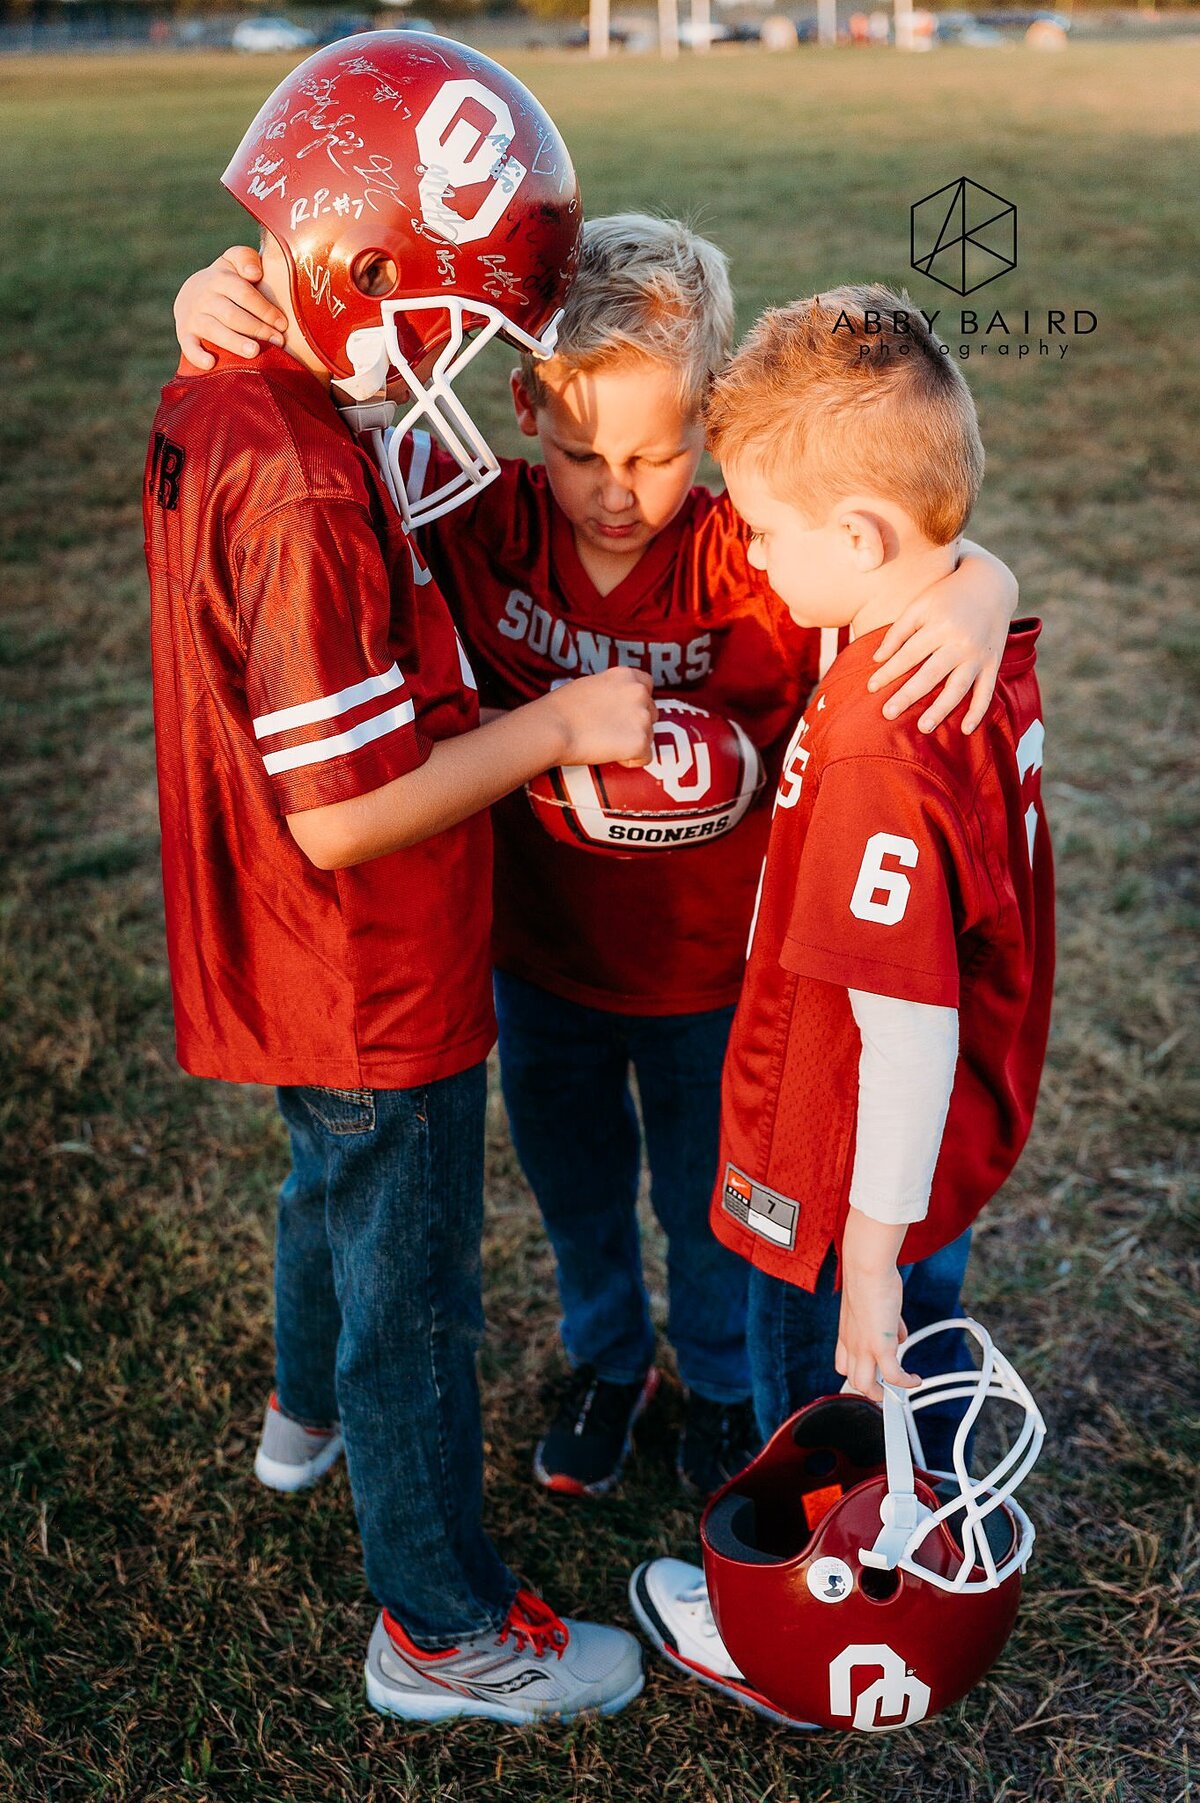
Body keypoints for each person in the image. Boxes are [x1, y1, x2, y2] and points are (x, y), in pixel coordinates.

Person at [174, 220, 1022, 1504]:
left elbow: (895, 547)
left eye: (656, 452)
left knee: (710, 1215)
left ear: (712, 420)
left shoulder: (756, 554)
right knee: (577, 1194)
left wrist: (976, 582)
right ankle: (605, 1359)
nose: (616, 487)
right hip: (543, 959)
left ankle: (722, 1380)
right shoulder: (476, 516)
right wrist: (209, 300)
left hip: (710, 980)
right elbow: (316, 414)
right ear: (522, 407)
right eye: (580, 452)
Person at [145, 35, 656, 1726]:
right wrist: (566, 723)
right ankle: (438, 1628)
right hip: (368, 955)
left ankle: (305, 1417)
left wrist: (213, 294)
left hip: (299, 962)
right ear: (357, 272)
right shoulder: (301, 472)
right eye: (443, 321)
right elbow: (350, 815)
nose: (446, 371)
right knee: (417, 1294)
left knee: (331, 1193)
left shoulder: (234, 390)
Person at [628, 287, 1054, 1724]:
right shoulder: (935, 631)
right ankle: (907, 1539)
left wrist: (863, 1240)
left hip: (848, 1146)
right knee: (908, 1351)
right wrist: (977, 567)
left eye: (760, 526)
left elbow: (909, 1018)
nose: (747, 548)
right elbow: (920, 550)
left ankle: (797, 1613)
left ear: (861, 540)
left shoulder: (885, 724)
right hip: (926, 1144)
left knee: (816, 1367)